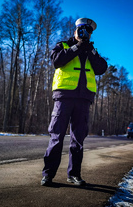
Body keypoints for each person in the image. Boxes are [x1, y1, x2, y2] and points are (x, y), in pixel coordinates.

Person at [41, 17, 108, 186]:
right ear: (75, 31)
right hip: (64, 97)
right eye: (81, 30)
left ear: (91, 34)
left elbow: (101, 68)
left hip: (84, 99)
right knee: (57, 136)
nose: (84, 33)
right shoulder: (63, 45)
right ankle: (48, 174)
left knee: (78, 139)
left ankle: (74, 175)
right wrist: (77, 47)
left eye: (88, 31)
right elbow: (57, 61)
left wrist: (89, 50)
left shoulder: (92, 50)